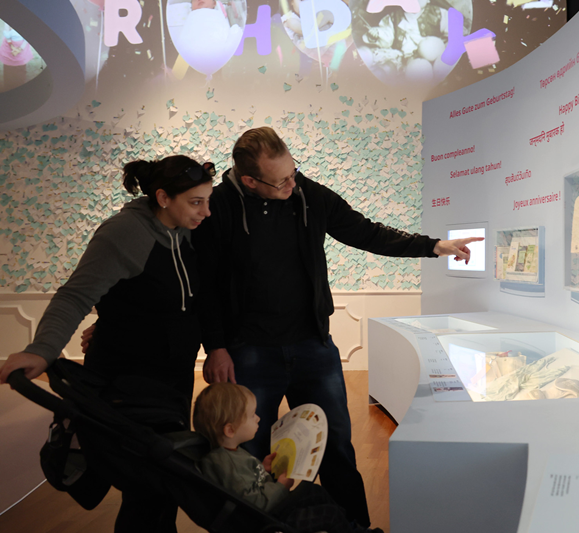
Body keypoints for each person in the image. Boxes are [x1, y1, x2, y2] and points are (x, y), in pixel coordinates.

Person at [193, 126, 482, 528]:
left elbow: (365, 231)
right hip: (249, 350)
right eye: (281, 181)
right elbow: (203, 283)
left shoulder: (308, 194)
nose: (293, 184)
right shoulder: (220, 207)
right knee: (250, 454)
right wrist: (217, 346)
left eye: (294, 172)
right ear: (249, 181)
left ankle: (355, 528)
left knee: (336, 449)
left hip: (313, 346)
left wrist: (433, 246)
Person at [0, 155, 216, 533]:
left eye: (207, 200)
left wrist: (112, 318)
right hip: (129, 385)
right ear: (163, 197)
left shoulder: (183, 230)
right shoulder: (126, 232)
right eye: (196, 202)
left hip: (172, 381)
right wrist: (41, 350)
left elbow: (152, 297)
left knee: (163, 487)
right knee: (150, 488)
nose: (206, 211)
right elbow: (75, 296)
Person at [193, 382, 379, 533]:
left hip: (272, 508)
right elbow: (254, 503)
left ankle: (349, 528)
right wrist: (281, 486)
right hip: (265, 518)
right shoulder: (225, 463)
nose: (258, 418)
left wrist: (263, 468)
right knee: (327, 515)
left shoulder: (230, 452)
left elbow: (247, 481)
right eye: (251, 416)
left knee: (316, 492)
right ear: (230, 430)